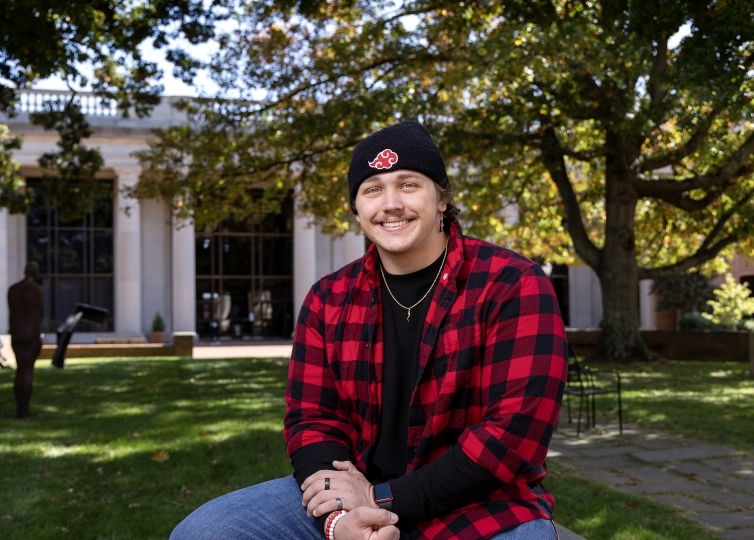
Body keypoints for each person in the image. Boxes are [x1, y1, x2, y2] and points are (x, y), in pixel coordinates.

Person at [171, 122, 568, 540]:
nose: (391, 204)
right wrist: (339, 518)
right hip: (351, 494)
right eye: (373, 189)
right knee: (203, 532)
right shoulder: (329, 298)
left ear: (443, 199)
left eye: (409, 184)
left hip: (480, 505)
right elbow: (313, 419)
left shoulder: (511, 283)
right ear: (357, 209)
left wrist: (381, 500)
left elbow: (510, 435)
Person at [8, 262, 44, 418]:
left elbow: (12, 313)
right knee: (27, 371)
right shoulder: (38, 290)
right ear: (35, 273)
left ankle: (20, 409)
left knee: (20, 370)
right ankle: (24, 411)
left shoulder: (13, 290)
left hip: (17, 333)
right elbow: (37, 314)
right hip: (30, 333)